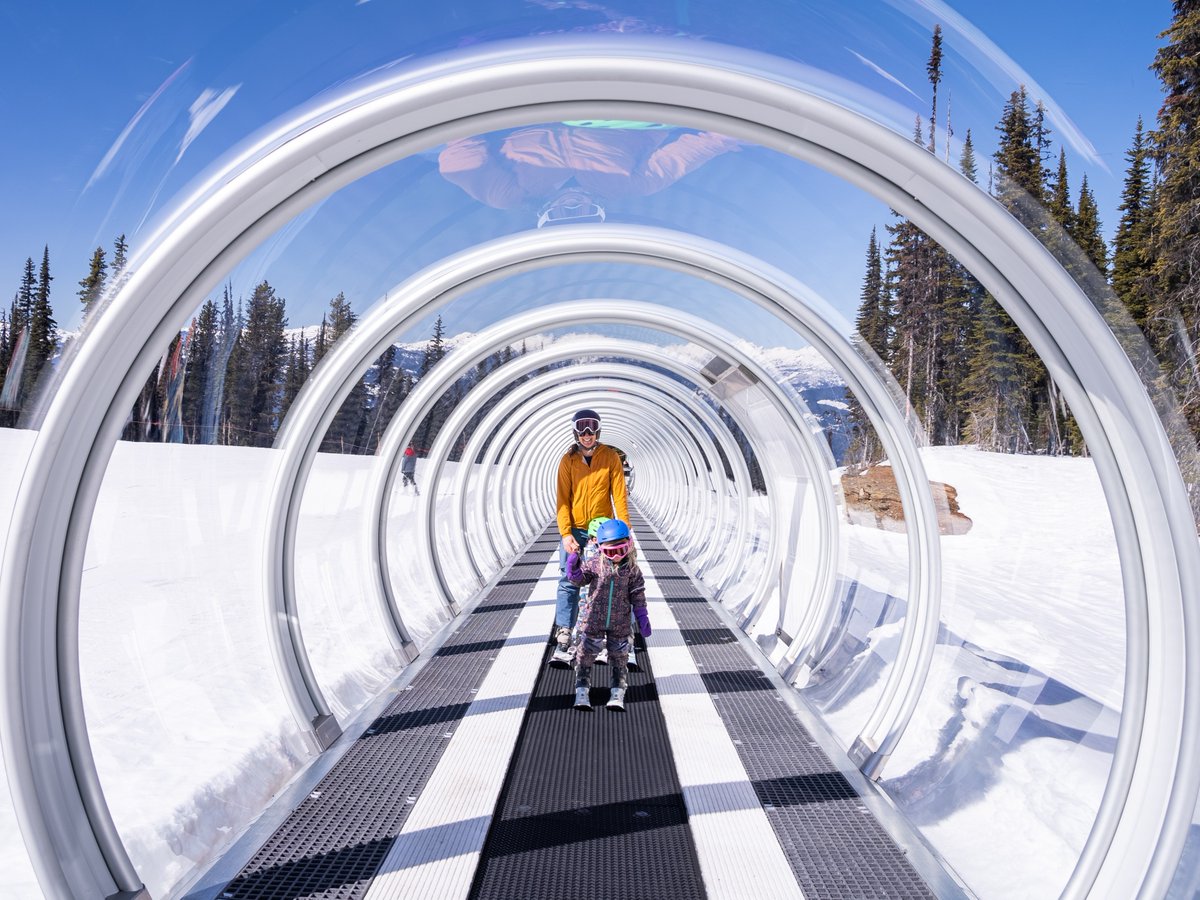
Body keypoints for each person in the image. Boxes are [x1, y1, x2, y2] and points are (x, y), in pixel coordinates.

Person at [551, 409, 630, 664]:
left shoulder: (610, 458)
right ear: (575, 431)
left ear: (598, 430)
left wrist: (624, 532)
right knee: (568, 577)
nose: (587, 434)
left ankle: (610, 631)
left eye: (591, 428)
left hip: (603, 530)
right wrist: (565, 534)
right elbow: (562, 501)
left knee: (607, 579)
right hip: (574, 527)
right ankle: (564, 629)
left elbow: (619, 496)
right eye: (582, 429)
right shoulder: (568, 461)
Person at [566, 518, 651, 710]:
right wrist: (573, 567)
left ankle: (617, 689)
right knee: (585, 652)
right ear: (601, 548)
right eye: (611, 552)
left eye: (621, 551)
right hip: (593, 619)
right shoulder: (596, 563)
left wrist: (642, 616)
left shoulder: (632, 570)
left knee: (620, 655)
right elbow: (580, 580)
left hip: (619, 622)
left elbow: (638, 594)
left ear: (629, 546)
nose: (617, 557)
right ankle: (582, 687)